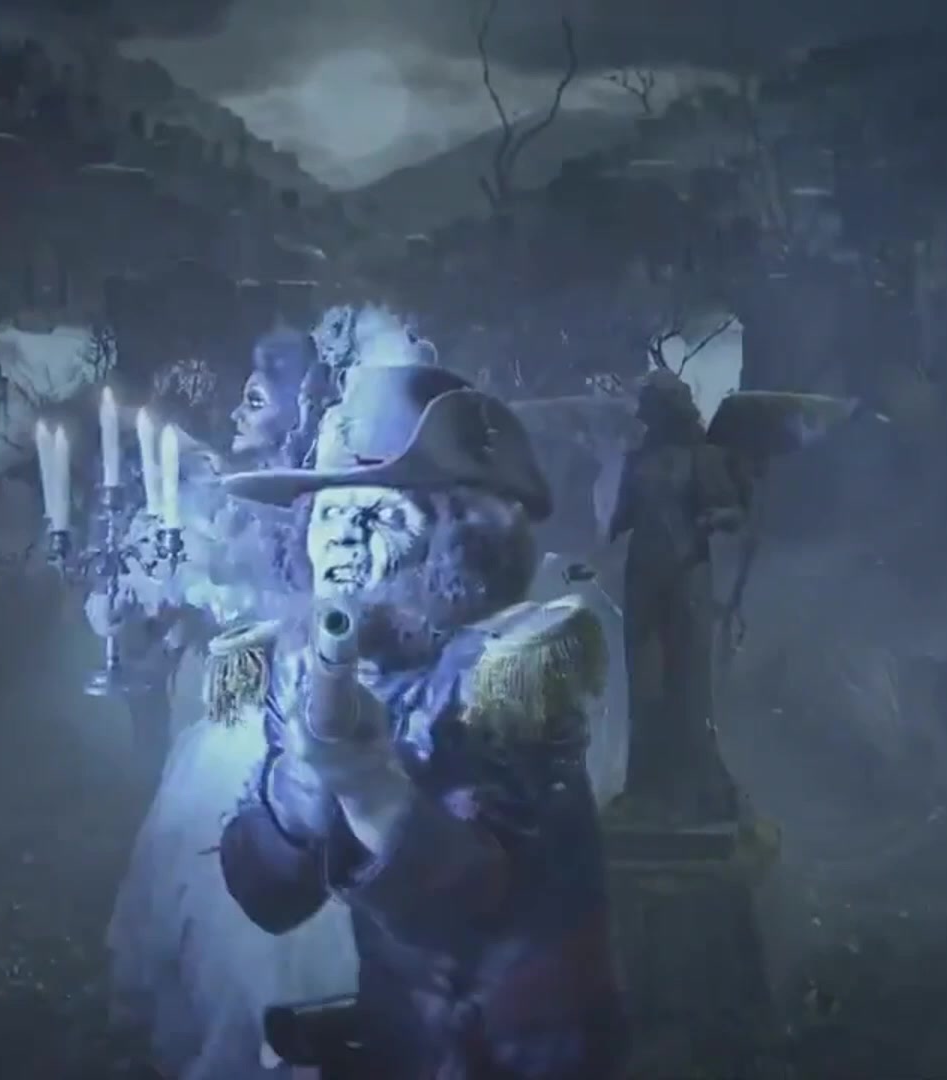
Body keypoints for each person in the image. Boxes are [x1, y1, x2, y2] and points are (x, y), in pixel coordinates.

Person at [211, 361, 625, 1078]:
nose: (343, 540)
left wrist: (368, 786)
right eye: (330, 515)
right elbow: (268, 898)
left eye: (377, 516)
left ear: (454, 538)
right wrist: (301, 787)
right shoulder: (308, 664)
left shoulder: (511, 668)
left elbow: (475, 903)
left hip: (527, 1051)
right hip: (401, 1034)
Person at [102, 322, 359, 1080]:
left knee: (267, 932)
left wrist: (210, 588)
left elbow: (302, 614)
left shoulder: (327, 509)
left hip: (289, 728)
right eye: (243, 395)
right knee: (204, 895)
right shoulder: (223, 492)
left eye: (258, 396)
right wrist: (164, 597)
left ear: (302, 409)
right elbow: (200, 604)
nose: (239, 410)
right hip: (228, 716)